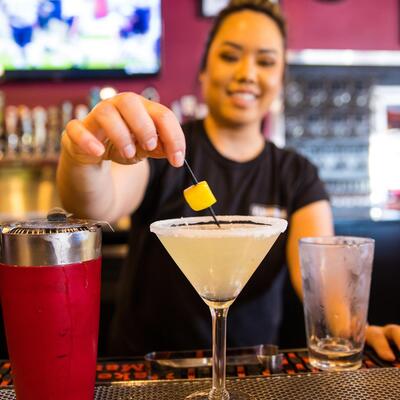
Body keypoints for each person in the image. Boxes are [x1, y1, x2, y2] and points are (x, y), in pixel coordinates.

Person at [57, 0, 400, 361]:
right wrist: (84, 158)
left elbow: (322, 280)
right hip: (148, 371)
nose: (247, 72)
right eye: (230, 55)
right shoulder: (161, 149)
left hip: (251, 374)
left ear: (281, 79)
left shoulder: (297, 175)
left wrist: (350, 332)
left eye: (265, 61)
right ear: (204, 70)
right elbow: (93, 206)